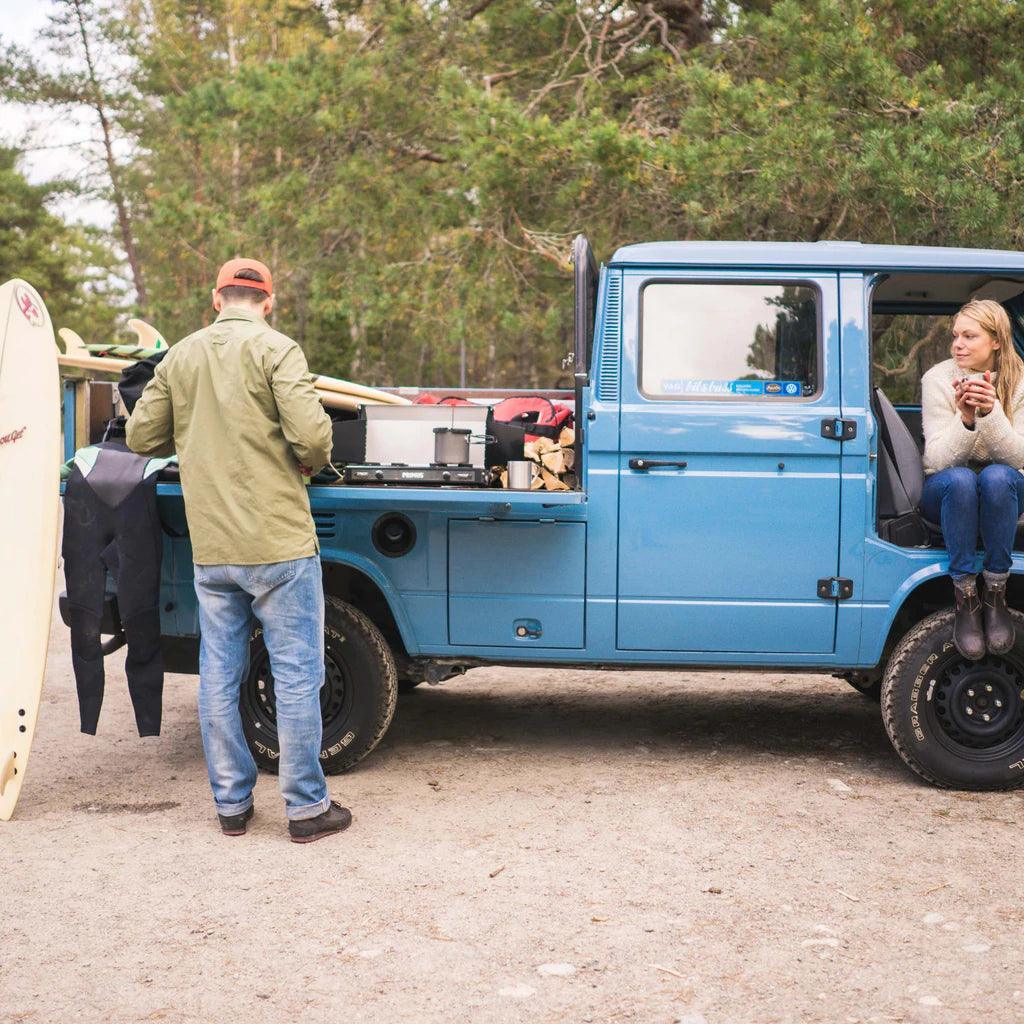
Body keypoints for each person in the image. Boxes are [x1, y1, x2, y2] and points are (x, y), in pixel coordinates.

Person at [126, 257, 351, 843]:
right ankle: (305, 808)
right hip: (278, 541)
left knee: (218, 674)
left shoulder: (180, 355)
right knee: (297, 675)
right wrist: (307, 459)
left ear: (216, 298)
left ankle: (231, 805)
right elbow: (312, 437)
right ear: (268, 301)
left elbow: (140, 437)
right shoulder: (279, 351)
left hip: (214, 548)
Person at [921, 299, 1024, 660]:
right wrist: (964, 418)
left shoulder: (1021, 380)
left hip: (1006, 485)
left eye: (969, 336)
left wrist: (991, 411)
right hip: (948, 487)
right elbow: (936, 460)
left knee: (997, 476)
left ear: (996, 340)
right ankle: (966, 594)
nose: (958, 344)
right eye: (955, 336)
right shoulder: (937, 378)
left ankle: (995, 591)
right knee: (962, 479)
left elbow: (1020, 458)